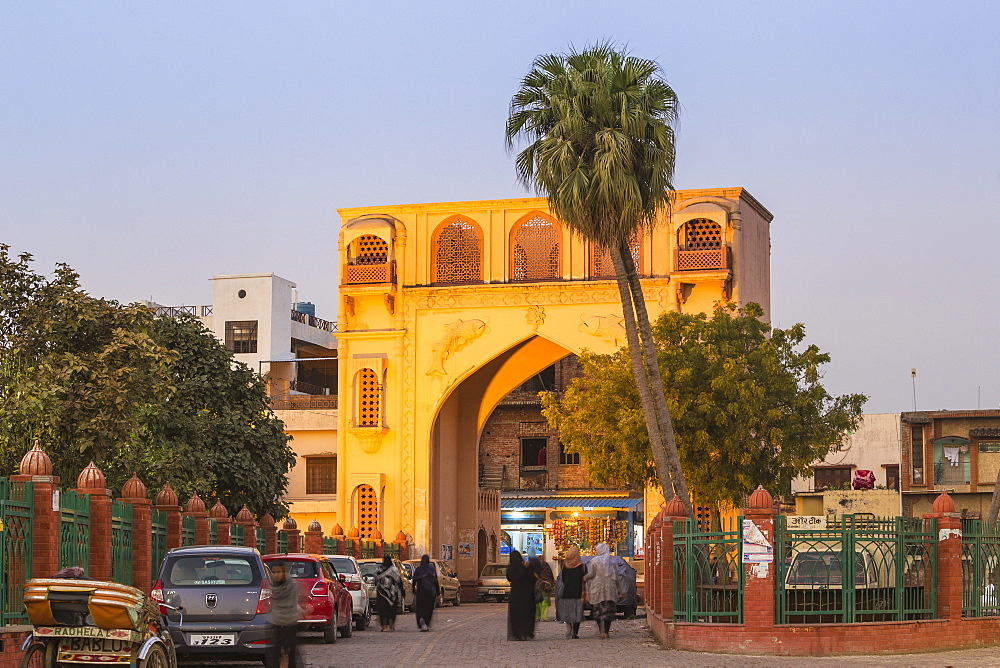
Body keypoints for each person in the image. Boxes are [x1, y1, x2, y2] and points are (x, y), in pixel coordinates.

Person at [266, 561, 302, 668]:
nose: (276, 575)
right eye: (274, 572)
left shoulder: (292, 585)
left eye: (279, 572)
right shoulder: (269, 586)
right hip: (274, 624)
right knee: (273, 657)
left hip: (289, 624)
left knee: (290, 656)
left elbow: (292, 604)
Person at [584, 543, 619, 639]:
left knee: (598, 611)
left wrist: (584, 578)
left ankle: (601, 632)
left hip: (598, 589)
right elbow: (617, 576)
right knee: (608, 611)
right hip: (610, 590)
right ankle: (606, 632)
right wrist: (621, 589)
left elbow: (591, 574)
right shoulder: (613, 561)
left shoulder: (594, 561)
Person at [555, 545, 586, 639]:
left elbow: (563, 579)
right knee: (577, 612)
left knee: (568, 611)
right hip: (578, 592)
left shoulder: (565, 565)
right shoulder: (582, 566)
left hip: (567, 592)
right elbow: (585, 579)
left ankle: (569, 628)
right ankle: (575, 633)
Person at [506, 549, 537, 640]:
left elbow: (510, 579)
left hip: (516, 594)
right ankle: (527, 632)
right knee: (527, 613)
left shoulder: (511, 569)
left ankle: (518, 633)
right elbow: (533, 579)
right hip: (528, 594)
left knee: (516, 614)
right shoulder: (526, 567)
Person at [375, 555, 404, 631]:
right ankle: (391, 624)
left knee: (382, 611)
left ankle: (383, 626)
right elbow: (399, 581)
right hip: (393, 594)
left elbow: (376, 581)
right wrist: (402, 592)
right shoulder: (394, 570)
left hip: (382, 594)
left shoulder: (379, 570)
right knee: (392, 610)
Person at [411, 554, 438, 631]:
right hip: (430, 593)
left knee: (420, 608)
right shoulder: (431, 569)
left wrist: (413, 591)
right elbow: (436, 582)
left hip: (420, 593)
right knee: (428, 608)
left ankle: (422, 622)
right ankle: (426, 623)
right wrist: (438, 592)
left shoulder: (418, 570)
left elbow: (414, 581)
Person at [530, 556, 554, 621]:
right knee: (543, 601)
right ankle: (543, 616)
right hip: (544, 586)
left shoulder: (535, 567)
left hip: (539, 585)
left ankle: (539, 616)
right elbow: (550, 575)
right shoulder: (545, 565)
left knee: (538, 601)